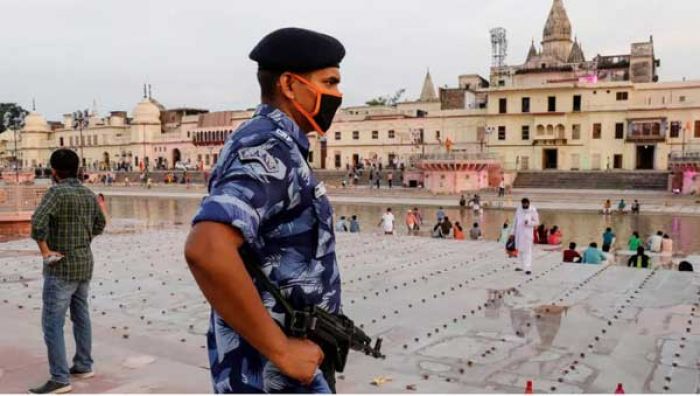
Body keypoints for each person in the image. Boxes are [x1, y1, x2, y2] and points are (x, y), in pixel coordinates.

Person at [184, 28, 346, 393]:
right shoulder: (268, 147)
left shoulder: (277, 142)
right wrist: (283, 351)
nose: (338, 95)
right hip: (272, 370)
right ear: (290, 85)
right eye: (330, 82)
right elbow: (206, 248)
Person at [29, 149, 107, 394]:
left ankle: (60, 378)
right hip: (84, 263)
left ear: (54, 171)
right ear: (77, 169)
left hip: (60, 267)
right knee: (81, 315)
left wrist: (45, 251)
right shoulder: (87, 193)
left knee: (52, 323)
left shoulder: (56, 192)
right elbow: (100, 223)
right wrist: (83, 241)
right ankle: (84, 364)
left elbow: (37, 223)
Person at [512, 198, 539, 275]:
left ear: (528, 203)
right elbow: (515, 221)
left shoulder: (533, 210)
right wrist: (512, 233)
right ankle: (520, 266)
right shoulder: (519, 209)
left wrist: (529, 223)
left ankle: (528, 268)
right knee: (520, 250)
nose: (524, 205)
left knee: (527, 251)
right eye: (523, 204)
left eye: (526, 204)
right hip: (519, 233)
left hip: (528, 234)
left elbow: (537, 222)